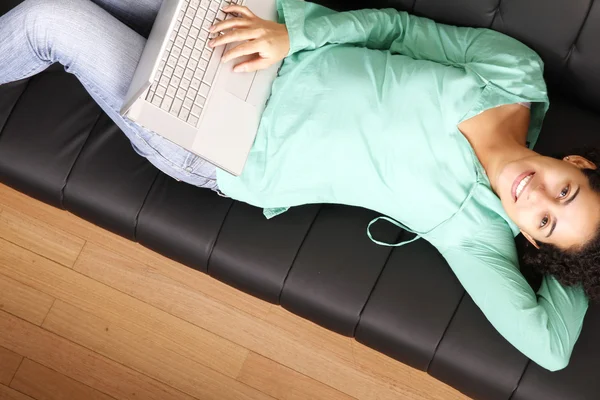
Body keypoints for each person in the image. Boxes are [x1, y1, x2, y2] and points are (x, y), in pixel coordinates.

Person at [1, 0, 599, 371]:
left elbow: (551, 348)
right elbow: (395, 29)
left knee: (49, 19)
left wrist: (578, 261)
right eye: (567, 190)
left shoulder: (473, 235)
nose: (537, 196)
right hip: (257, 36)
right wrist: (295, 36)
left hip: (221, 144)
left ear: (533, 241)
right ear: (578, 162)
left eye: (545, 222)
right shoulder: (515, 73)